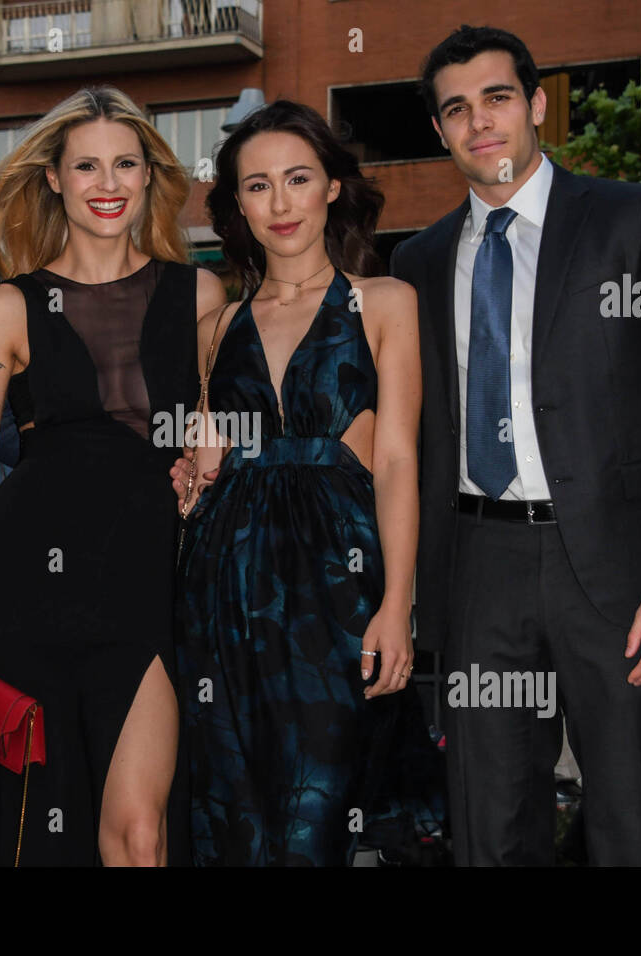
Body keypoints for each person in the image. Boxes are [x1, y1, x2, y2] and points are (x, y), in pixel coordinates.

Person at [390, 25, 641, 865]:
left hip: (623, 572)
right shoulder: (418, 261)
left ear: (537, 104)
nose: (480, 122)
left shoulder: (637, 217)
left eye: (498, 98)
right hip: (478, 568)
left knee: (632, 823)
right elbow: (401, 434)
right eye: (457, 109)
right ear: (439, 131)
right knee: (489, 830)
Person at [0, 85, 225, 866]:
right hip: (23, 587)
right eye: (86, 166)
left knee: (138, 833)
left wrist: (213, 448)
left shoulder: (202, 296)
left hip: (146, 585)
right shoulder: (5, 308)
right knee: (33, 829)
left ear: (151, 175)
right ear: (54, 179)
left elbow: (218, 430)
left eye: (125, 163)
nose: (108, 183)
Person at [174, 100, 423, 865]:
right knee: (237, 818)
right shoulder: (215, 327)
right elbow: (207, 455)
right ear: (236, 204)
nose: (279, 203)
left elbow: (397, 460)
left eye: (297, 179)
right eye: (257, 186)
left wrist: (397, 606)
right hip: (225, 591)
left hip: (340, 587)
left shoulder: (384, 303)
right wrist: (190, 467)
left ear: (332, 189)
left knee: (318, 816)